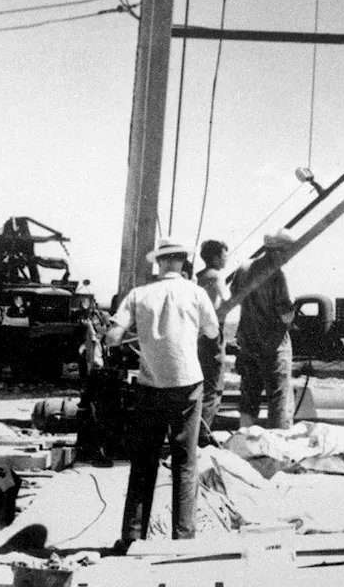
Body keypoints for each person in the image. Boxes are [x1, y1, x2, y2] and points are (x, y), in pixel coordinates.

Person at [103, 236, 219, 551]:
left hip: (150, 386)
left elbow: (113, 337)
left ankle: (132, 538)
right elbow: (212, 331)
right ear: (182, 261)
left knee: (143, 463)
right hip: (187, 385)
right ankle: (183, 541)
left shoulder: (139, 294)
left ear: (158, 262)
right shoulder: (197, 293)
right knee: (185, 462)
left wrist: (116, 334)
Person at [228, 229, 296, 430]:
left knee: (249, 396)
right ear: (279, 251)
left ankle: (244, 437)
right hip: (273, 346)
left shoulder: (244, 268)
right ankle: (279, 444)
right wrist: (293, 315)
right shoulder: (277, 275)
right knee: (279, 398)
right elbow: (285, 315)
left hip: (248, 342)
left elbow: (233, 296)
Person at [195, 239, 230, 447]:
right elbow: (225, 302)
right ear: (216, 257)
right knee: (213, 389)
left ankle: (198, 431)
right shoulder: (216, 276)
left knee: (201, 386)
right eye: (224, 254)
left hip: (198, 337)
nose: (226, 258)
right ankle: (203, 435)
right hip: (213, 337)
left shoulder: (199, 277)